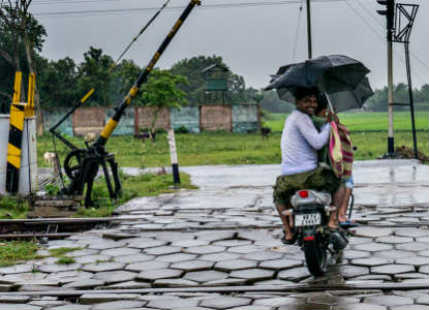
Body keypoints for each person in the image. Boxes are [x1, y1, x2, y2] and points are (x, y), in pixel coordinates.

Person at [273, 87, 345, 244]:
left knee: (278, 195)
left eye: (314, 101)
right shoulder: (302, 118)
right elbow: (318, 143)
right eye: (307, 101)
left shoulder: (292, 118)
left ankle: (288, 231)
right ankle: (333, 220)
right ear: (297, 102)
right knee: (341, 183)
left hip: (288, 177)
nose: (311, 105)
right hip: (309, 175)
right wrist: (330, 125)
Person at [313, 93, 355, 226]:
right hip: (325, 167)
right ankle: (339, 215)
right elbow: (343, 139)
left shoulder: (306, 122)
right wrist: (335, 124)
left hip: (306, 167)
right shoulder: (327, 126)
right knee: (347, 181)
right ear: (324, 110)